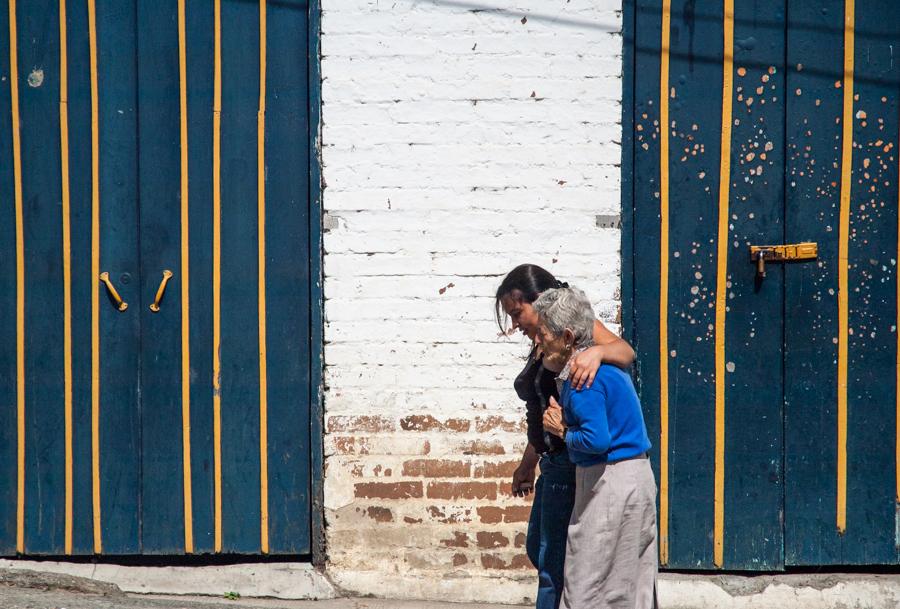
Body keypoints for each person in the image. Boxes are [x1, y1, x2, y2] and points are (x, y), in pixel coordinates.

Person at [495, 264, 636, 609]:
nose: (515, 324)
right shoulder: (541, 342)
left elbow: (626, 352)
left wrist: (599, 351)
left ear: (540, 300)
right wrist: (528, 463)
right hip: (551, 461)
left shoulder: (570, 335)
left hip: (571, 461)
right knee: (541, 550)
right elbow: (547, 410)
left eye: (517, 313)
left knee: (553, 563)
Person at [534, 287, 657, 609]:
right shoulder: (606, 370)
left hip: (609, 481)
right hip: (635, 477)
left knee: (586, 580)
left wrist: (561, 430)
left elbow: (595, 440)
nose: (538, 341)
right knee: (629, 584)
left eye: (543, 333)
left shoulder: (582, 379)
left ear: (568, 336)